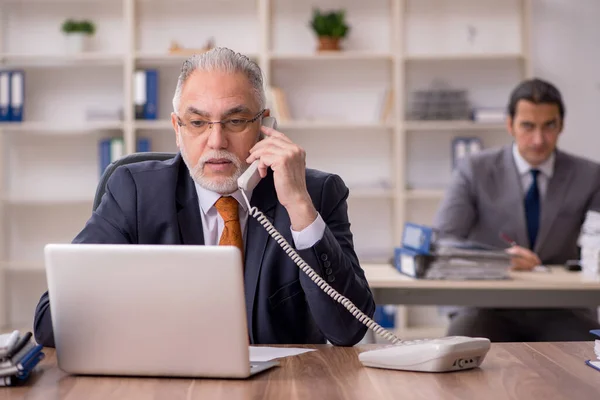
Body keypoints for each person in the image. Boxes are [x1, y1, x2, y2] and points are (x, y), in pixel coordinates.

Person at [33, 47, 375, 347]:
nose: (216, 141)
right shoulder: (134, 192)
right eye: (197, 123)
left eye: (236, 120)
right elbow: (50, 323)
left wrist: (299, 207)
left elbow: (349, 330)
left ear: (265, 125)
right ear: (177, 129)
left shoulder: (316, 194)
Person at [434, 78, 600, 342]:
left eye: (549, 126)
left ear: (561, 126)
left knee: (588, 358)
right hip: (487, 305)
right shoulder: (474, 169)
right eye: (527, 126)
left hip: (562, 308)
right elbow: (443, 240)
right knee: (460, 348)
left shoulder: (589, 175)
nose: (538, 140)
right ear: (510, 125)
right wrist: (498, 259)